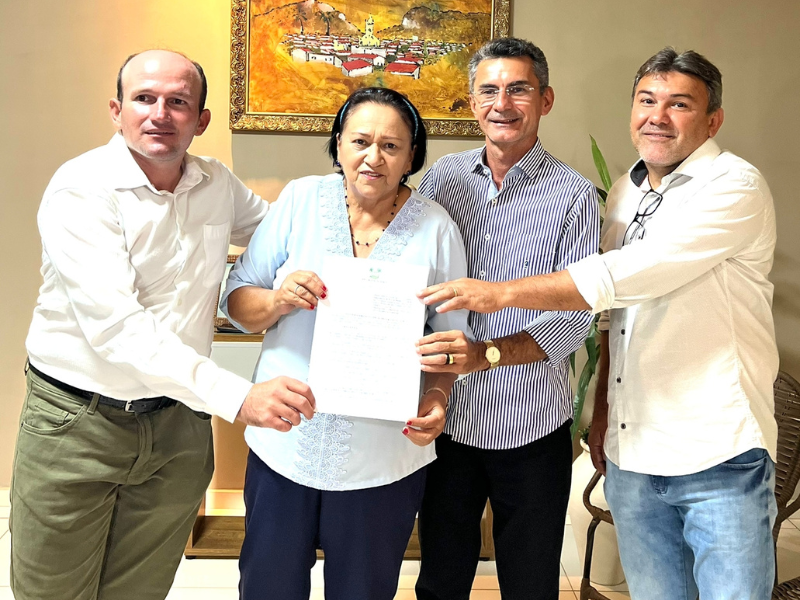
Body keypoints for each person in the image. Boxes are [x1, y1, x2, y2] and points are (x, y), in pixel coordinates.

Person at [420, 47, 778, 600]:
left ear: (713, 121)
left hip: (701, 447)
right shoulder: (625, 193)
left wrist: (494, 314)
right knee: (440, 579)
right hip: (595, 439)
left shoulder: (732, 185)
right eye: (647, 101)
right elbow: (613, 321)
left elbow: (603, 295)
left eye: (680, 104)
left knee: (531, 584)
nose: (658, 116)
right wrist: (605, 412)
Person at [11, 50, 316, 600]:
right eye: (144, 98)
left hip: (178, 426)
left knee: (140, 589)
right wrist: (238, 397)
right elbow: (116, 326)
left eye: (178, 102)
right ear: (116, 111)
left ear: (201, 119)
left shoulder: (216, 182)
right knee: (53, 591)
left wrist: (366, 228)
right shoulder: (81, 189)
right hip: (78, 421)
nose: (160, 114)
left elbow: (284, 233)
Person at [221, 87, 470, 600]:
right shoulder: (299, 201)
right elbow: (236, 302)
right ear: (338, 144)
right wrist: (278, 300)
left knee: (363, 590)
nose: (373, 157)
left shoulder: (437, 229)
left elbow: (450, 339)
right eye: (360, 141)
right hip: (285, 439)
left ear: (412, 157)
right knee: (267, 586)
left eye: (391, 146)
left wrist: (437, 397)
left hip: (381, 454)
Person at [412, 38, 599, 600]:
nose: (502, 104)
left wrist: (484, 355)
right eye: (489, 91)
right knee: (440, 577)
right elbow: (410, 275)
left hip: (532, 423)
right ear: (472, 102)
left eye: (518, 89)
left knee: (530, 581)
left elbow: (576, 315)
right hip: (447, 417)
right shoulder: (442, 180)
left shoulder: (574, 195)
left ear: (546, 99)